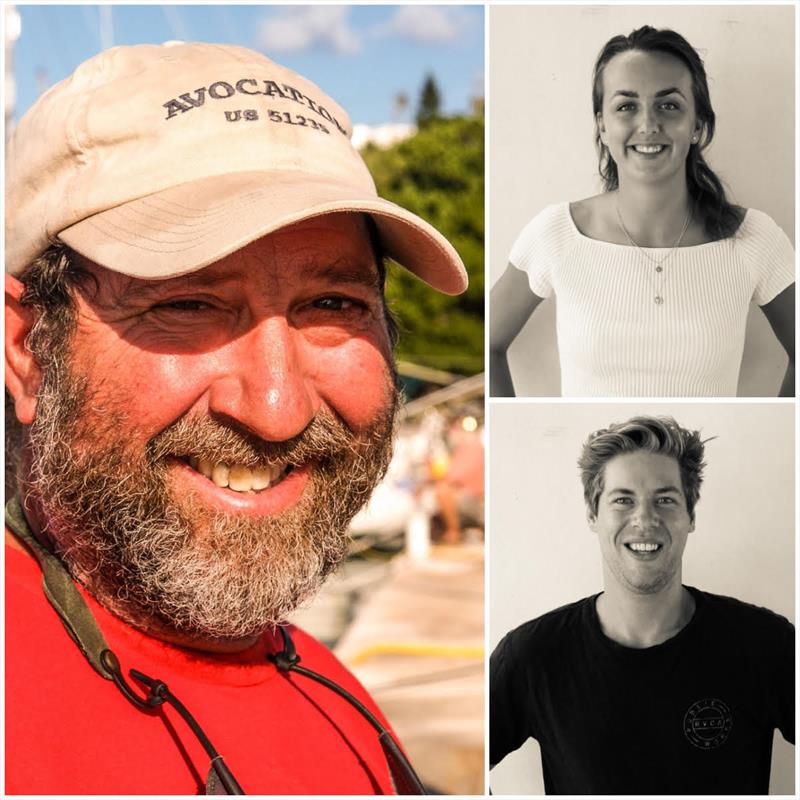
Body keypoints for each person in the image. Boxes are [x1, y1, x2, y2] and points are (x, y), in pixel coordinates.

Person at [4, 42, 468, 795]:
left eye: (333, 305)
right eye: (186, 305)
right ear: (27, 347)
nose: (278, 411)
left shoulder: (331, 691)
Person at [490, 415, 794, 794]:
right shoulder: (532, 657)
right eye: (623, 500)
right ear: (592, 514)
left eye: (665, 500)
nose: (644, 519)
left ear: (691, 516)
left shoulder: (766, 646)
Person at [490, 26, 795, 398]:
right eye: (626, 106)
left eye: (669, 105)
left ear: (697, 124)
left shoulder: (754, 238)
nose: (648, 125)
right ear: (602, 125)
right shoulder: (556, 234)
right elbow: (489, 344)